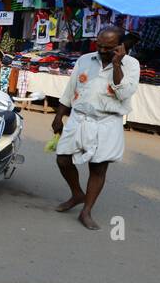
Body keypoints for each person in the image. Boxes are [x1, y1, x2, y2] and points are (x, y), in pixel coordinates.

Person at [52, 25, 140, 231]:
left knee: (98, 167)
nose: (101, 50)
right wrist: (58, 116)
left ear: (120, 46)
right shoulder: (85, 60)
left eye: (107, 47)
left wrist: (117, 64)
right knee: (62, 159)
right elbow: (70, 89)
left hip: (108, 122)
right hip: (79, 117)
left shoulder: (132, 65)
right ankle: (77, 194)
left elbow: (124, 93)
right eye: (98, 45)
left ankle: (87, 210)